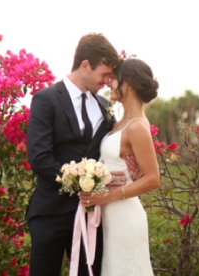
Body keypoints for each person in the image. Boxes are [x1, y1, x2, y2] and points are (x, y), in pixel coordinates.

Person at [26, 33, 132, 276]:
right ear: (85, 65)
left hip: (91, 214)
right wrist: (84, 178)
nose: (107, 81)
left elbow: (111, 147)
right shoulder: (46, 99)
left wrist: (130, 164)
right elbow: (40, 159)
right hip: (50, 212)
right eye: (104, 74)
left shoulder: (105, 107)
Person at [79, 58, 161, 276]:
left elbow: (153, 178)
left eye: (114, 78)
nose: (110, 82)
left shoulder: (136, 127)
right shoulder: (120, 122)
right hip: (110, 218)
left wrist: (108, 196)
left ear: (130, 84)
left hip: (125, 217)